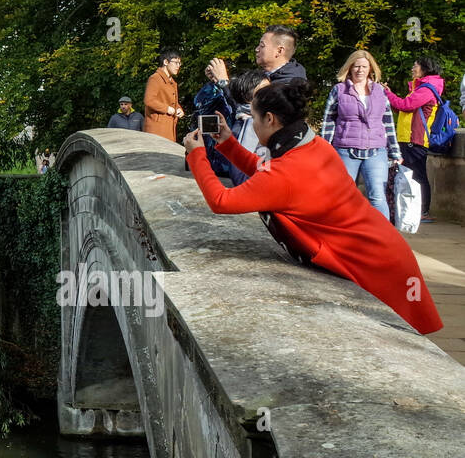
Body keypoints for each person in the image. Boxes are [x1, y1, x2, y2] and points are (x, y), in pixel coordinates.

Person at [183, 81, 441, 335]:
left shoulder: (286, 174)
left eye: (254, 118)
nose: (252, 124)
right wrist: (228, 144)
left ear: (270, 119)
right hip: (387, 251)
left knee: (404, 342)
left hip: (373, 264)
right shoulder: (314, 147)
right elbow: (268, 176)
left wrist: (197, 155)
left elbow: (221, 201)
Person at [319, 50, 401, 221]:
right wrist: (324, 150)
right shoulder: (338, 90)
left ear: (370, 68)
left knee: (377, 196)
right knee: (342, 196)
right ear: (349, 68)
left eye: (364, 66)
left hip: (376, 151)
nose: (360, 70)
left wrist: (395, 152)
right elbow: (328, 121)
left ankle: (383, 238)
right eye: (356, 66)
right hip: (345, 150)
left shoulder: (380, 91)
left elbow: (388, 123)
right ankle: (342, 234)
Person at [386, 55, 445, 223]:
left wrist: (387, 94)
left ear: (425, 68)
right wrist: (390, 96)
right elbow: (404, 109)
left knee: (418, 176)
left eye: (415, 65)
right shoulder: (419, 88)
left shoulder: (427, 89)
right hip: (408, 138)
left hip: (416, 139)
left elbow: (405, 105)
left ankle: (423, 211)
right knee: (411, 176)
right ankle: (415, 210)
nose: (413, 68)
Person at [143, 49, 184, 141]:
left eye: (180, 63)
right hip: (157, 129)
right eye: (176, 62)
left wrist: (179, 109)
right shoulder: (155, 78)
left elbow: (173, 102)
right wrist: (167, 109)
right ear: (166, 62)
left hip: (169, 128)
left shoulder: (172, 82)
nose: (178, 66)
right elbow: (149, 100)